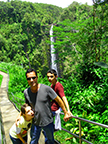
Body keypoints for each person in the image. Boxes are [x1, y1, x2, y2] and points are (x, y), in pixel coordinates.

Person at [23, 68, 71, 144]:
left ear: (37, 78)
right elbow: (26, 106)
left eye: (33, 78)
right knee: (33, 141)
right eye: (29, 78)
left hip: (48, 121)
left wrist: (66, 112)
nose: (32, 80)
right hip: (35, 122)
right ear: (27, 80)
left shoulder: (46, 89)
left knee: (50, 140)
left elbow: (59, 99)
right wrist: (20, 115)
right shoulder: (26, 92)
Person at [43, 69, 72, 143]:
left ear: (56, 76)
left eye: (51, 77)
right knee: (46, 129)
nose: (49, 78)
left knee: (46, 129)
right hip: (50, 109)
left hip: (54, 110)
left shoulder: (58, 86)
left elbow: (63, 97)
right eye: (48, 77)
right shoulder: (52, 85)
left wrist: (68, 110)